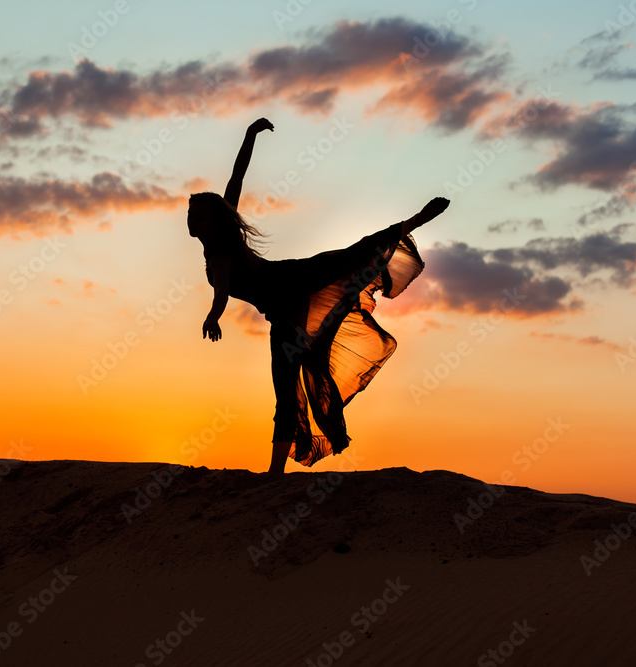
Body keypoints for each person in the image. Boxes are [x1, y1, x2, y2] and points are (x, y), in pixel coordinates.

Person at [188, 118, 449, 475]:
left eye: (196, 215)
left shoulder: (220, 252)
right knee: (291, 379)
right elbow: (236, 180)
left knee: (346, 261)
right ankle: (277, 469)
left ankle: (414, 221)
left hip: (287, 288)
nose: (190, 219)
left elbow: (221, 289)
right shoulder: (222, 240)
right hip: (286, 299)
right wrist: (250, 134)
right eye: (190, 214)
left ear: (212, 221)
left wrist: (213, 316)